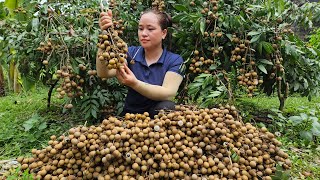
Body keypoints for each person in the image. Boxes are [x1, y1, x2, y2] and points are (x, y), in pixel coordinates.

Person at [96, 9, 184, 117]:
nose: (144, 34)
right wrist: (105, 37)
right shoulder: (130, 53)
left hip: (157, 120)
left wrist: (135, 83)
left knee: (167, 105)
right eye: (140, 29)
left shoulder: (174, 60)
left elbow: (168, 94)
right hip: (130, 117)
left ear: (163, 33)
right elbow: (104, 73)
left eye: (150, 29)